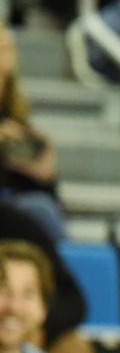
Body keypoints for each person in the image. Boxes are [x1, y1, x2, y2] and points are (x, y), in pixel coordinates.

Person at [0, 204, 97, 353]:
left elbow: (72, 299)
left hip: (30, 339)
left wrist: (41, 327)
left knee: (74, 348)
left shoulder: (14, 223)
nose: (15, 304)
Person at [0, 22, 65, 239]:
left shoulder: (17, 116)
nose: (4, 56)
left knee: (42, 208)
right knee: (39, 210)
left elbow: (36, 191)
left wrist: (44, 176)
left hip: (14, 207)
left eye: (7, 48)